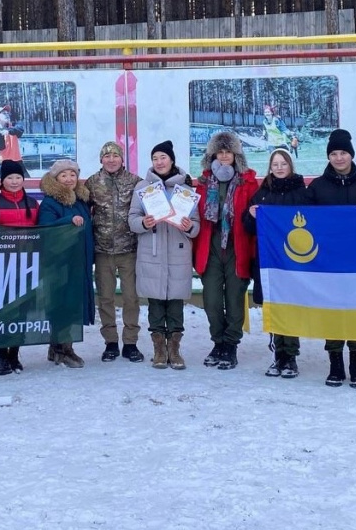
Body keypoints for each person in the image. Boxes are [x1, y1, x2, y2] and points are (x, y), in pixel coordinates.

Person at [305, 129, 356, 388]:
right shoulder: (316, 187)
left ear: (351, 155)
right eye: (334, 153)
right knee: (333, 311)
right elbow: (306, 222)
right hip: (328, 261)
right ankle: (335, 363)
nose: (339, 158)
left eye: (343, 153)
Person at [128, 141, 200, 370]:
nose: (159, 162)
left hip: (178, 254)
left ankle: (174, 349)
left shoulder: (186, 191)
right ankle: (159, 349)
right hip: (152, 251)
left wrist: (189, 226)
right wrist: (144, 223)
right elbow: (132, 220)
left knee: (176, 303)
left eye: (163, 157)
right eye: (155, 158)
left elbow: (196, 226)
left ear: (171, 160)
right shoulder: (143, 188)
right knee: (156, 303)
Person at [193, 130, 259, 370]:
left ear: (235, 155)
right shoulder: (202, 183)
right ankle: (217, 342)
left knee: (233, 299)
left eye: (227, 152)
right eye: (219, 152)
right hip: (209, 247)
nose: (223, 157)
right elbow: (194, 216)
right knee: (211, 300)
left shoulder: (248, 182)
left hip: (237, 247)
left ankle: (230, 345)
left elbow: (255, 218)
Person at [242, 148, 306, 379]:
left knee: (290, 306)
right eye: (275, 164)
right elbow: (248, 227)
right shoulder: (262, 193)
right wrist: (249, 214)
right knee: (274, 306)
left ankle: (291, 355)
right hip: (269, 260)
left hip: (294, 260)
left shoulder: (301, 193)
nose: (279, 168)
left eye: (283, 163)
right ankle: (277, 353)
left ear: (290, 166)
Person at [85, 141, 144, 363]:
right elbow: (80, 206)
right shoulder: (92, 183)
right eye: (107, 156)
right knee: (106, 298)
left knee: (131, 298)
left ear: (122, 159)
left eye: (115, 156)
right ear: (101, 159)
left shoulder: (135, 182)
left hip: (129, 249)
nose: (111, 160)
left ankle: (130, 343)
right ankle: (110, 342)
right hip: (102, 251)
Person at [38, 159, 94, 368]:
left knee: (73, 303)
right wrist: (67, 222)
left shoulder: (80, 200)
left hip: (80, 261)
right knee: (64, 304)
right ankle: (64, 349)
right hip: (60, 262)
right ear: (56, 179)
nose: (69, 179)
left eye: (72, 174)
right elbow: (45, 228)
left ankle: (58, 347)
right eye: (64, 175)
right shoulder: (50, 202)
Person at [0, 159, 39, 374]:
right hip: (1, 264)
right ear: (2, 180)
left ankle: (14, 354)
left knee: (22, 309)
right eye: (10, 178)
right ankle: (2, 355)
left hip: (26, 263)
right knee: (2, 311)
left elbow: (41, 231)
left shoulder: (32, 203)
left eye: (18, 177)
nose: (14, 181)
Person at [0, 103, 27, 177]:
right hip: (2, 162)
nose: (7, 114)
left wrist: (8, 131)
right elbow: (0, 147)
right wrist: (0, 136)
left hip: (17, 160)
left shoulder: (15, 126)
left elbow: (20, 130)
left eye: (8, 113)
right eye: (4, 113)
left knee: (29, 183)